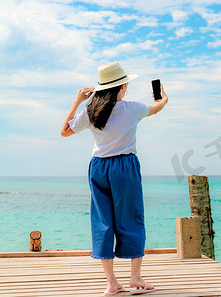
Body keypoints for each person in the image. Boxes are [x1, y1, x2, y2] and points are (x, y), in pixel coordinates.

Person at [61, 62, 168, 296]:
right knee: (132, 218)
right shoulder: (133, 108)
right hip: (124, 166)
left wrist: (77, 101)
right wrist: (164, 98)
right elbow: (157, 108)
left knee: (102, 221)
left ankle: (111, 283)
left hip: (98, 166)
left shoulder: (91, 112)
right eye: (126, 83)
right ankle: (136, 278)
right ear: (121, 87)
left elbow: (65, 131)